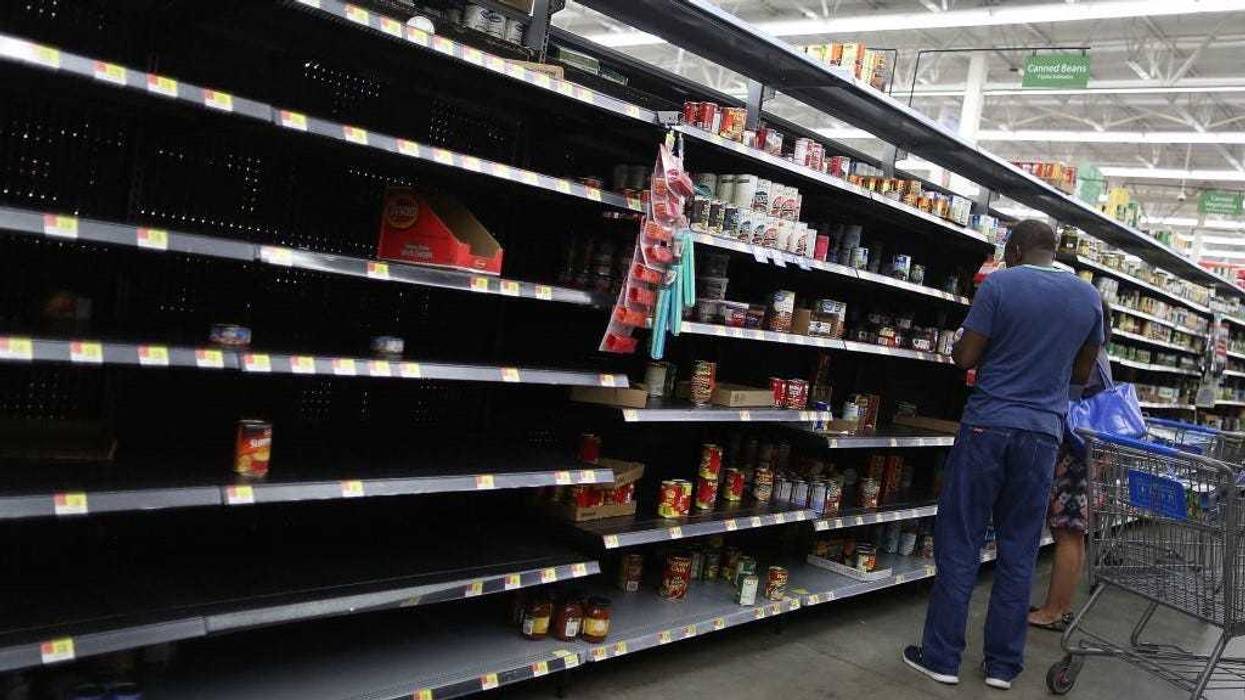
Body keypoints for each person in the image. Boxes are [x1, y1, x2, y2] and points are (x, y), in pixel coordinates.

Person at [902, 219, 1104, 691]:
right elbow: (1083, 369)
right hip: (1042, 433)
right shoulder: (1087, 297)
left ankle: (941, 657)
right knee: (1019, 549)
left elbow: (966, 358)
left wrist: (975, 347)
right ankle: (1002, 666)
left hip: (988, 425)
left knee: (962, 540)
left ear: (1014, 249)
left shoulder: (1001, 285)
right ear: (1052, 251)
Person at [1028, 294, 1114, 631]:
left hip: (1079, 456)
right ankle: (1058, 606)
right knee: (1071, 532)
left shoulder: (1090, 358)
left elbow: (1075, 402)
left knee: (1067, 533)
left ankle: (1055, 610)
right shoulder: (1100, 354)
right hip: (1088, 454)